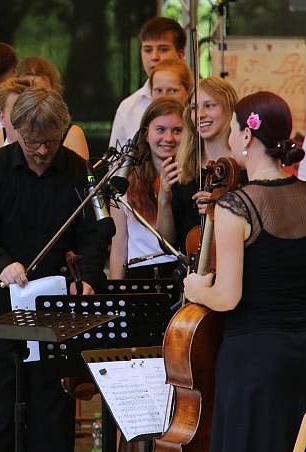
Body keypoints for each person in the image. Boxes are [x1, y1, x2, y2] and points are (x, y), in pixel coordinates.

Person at [0, 86, 106, 452]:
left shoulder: (80, 173)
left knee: (52, 416)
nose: (43, 151)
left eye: (51, 141)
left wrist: (89, 278)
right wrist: (2, 262)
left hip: (55, 308)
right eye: (33, 143)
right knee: (0, 418)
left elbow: (95, 236)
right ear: (16, 130)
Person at [182, 91, 306, 452]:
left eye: (236, 129)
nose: (233, 137)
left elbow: (226, 296)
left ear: (248, 136)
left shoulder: (235, 205)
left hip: (256, 360)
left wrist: (195, 288)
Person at [158, 77, 239, 252]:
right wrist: (164, 199)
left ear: (230, 108)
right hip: (189, 274)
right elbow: (167, 243)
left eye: (209, 105)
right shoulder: (181, 167)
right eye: (194, 108)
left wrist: (222, 210)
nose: (200, 114)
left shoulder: (243, 168)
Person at [109, 97, 184, 279]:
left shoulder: (189, 180)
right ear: (145, 134)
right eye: (160, 130)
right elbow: (119, 249)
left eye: (177, 131)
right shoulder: (124, 180)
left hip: (180, 274)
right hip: (139, 276)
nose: (168, 138)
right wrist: (117, 296)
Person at [109, 17, 186, 148]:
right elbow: (115, 164)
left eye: (163, 49)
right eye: (147, 49)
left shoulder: (198, 101)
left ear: (180, 55)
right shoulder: (128, 107)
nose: (154, 57)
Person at [0, 75, 89, 160]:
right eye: (18, 112)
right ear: (2, 116)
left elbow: (87, 178)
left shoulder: (71, 158)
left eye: (34, 111)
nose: (28, 121)